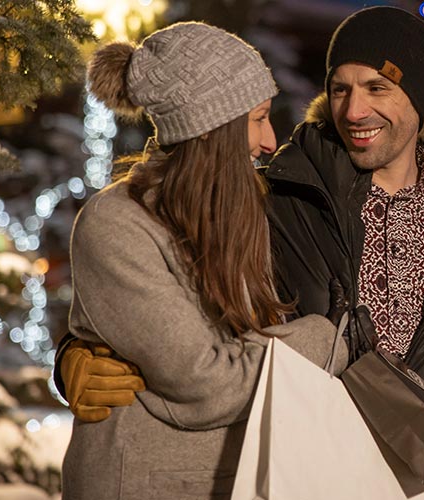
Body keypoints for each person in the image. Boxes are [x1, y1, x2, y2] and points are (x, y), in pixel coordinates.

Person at [61, 6, 424, 499]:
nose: (354, 111)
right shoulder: (286, 192)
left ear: (419, 97)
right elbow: (192, 295)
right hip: (310, 464)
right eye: (340, 89)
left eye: (378, 87)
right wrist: (79, 349)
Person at [60, 22, 348, 499]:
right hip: (139, 484)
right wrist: (328, 336)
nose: (270, 140)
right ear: (213, 127)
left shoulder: (246, 209)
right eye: (258, 118)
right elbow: (210, 383)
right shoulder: (117, 224)